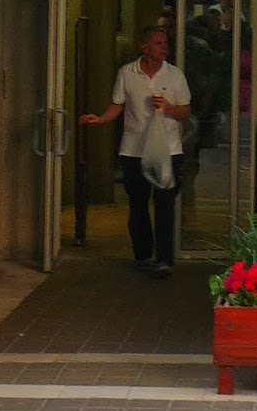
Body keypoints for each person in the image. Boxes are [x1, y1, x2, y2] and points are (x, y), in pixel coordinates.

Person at [80, 23, 191, 277]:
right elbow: (117, 105)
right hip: (133, 150)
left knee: (164, 205)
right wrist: (100, 119)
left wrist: (168, 108)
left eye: (165, 43)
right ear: (145, 47)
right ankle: (143, 254)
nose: (164, 48)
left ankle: (164, 259)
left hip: (168, 150)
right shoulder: (127, 73)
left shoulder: (175, 75)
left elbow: (185, 111)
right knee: (138, 205)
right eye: (158, 43)